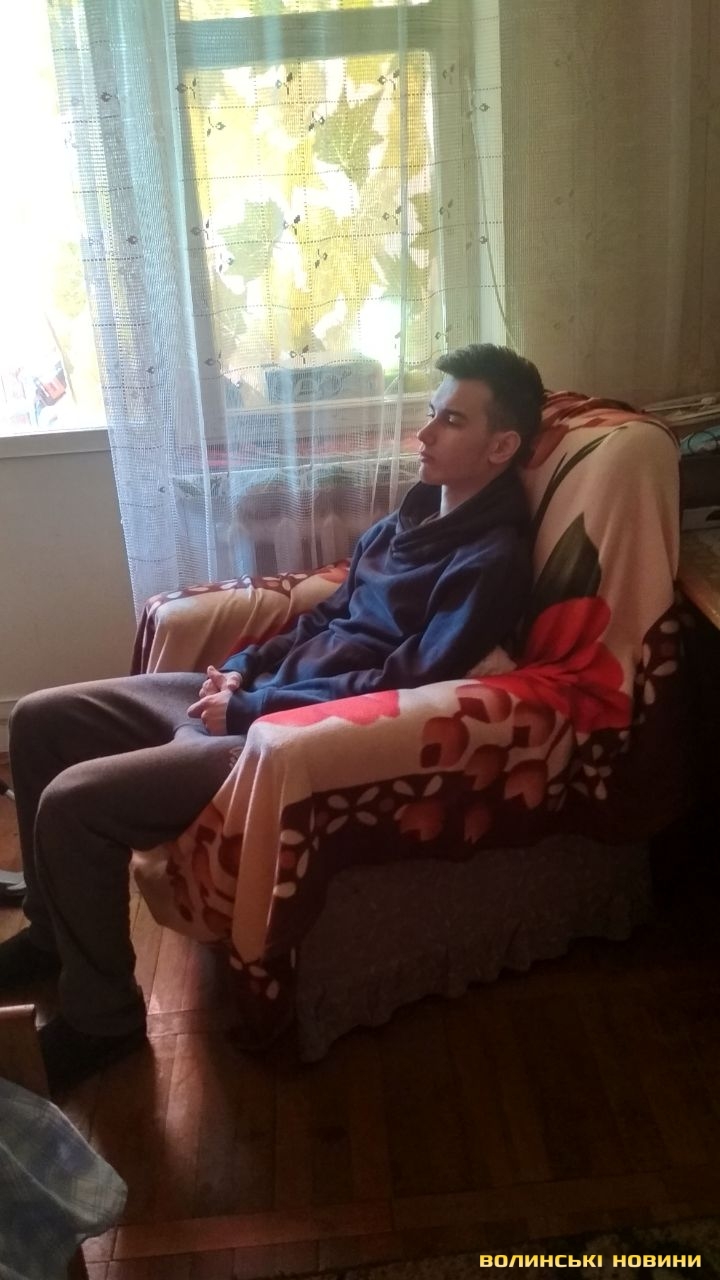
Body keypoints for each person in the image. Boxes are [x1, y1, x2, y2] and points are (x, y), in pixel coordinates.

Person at [0, 343, 544, 1091]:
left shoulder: (490, 558)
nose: (422, 434)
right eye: (429, 413)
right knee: (38, 720)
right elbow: (326, 619)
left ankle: (104, 1021)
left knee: (73, 805)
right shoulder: (410, 517)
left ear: (502, 446)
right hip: (256, 697)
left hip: (280, 738)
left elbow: (407, 681)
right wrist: (243, 667)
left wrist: (251, 707)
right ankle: (49, 936)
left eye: (451, 421)